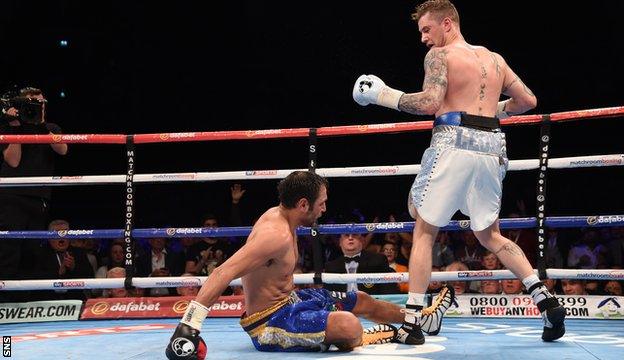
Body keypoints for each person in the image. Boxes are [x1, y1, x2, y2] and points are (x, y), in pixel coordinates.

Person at [352, 0, 564, 344]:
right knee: (490, 235)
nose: (423, 38)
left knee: (423, 229)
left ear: (447, 23)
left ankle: (412, 322)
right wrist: (486, 111)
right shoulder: (494, 58)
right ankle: (547, 301)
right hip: (493, 145)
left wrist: (382, 95)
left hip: (454, 143)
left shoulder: (441, 55)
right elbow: (527, 101)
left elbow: (430, 103)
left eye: (427, 29)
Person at [165, 171, 454, 359]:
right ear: (303, 204)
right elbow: (223, 272)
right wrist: (189, 326)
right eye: (321, 204)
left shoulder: (284, 220)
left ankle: (419, 320)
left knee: (362, 299)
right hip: (270, 322)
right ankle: (389, 334)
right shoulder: (273, 235)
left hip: (293, 301)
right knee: (348, 325)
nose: (324, 209)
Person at [0, 86, 68, 302]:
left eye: (39, 102)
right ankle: (4, 303)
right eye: (31, 102)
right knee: (8, 250)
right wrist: (15, 126)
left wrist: (39, 124)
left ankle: (26, 302)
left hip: (39, 198)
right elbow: (13, 161)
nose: (36, 106)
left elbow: (63, 149)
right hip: (11, 197)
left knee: (33, 250)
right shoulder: (9, 127)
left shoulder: (51, 128)